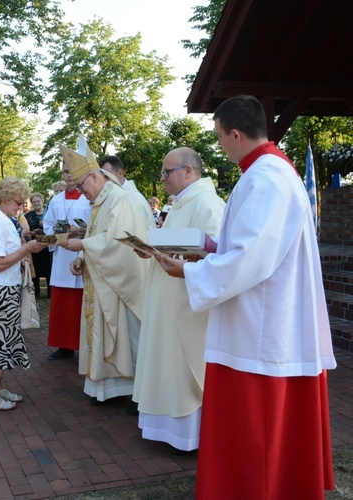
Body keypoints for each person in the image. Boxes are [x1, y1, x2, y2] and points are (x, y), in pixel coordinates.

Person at [157, 95, 336, 499]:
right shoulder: (269, 171)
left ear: (235, 134)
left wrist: (188, 270)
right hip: (268, 313)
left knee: (257, 429)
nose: (220, 146)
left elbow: (251, 259)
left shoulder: (265, 178)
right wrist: (208, 248)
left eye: (220, 138)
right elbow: (254, 247)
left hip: (262, 324)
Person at [131, 147, 225, 451]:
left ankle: (189, 435)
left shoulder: (207, 204)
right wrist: (151, 250)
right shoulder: (182, 204)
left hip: (187, 304)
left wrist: (185, 263)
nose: (162, 178)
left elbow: (217, 255)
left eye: (167, 172)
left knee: (183, 368)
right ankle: (166, 430)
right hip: (168, 298)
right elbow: (175, 247)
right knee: (166, 363)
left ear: (188, 171)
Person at [60, 139, 154, 407]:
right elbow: (96, 235)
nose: (80, 192)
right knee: (105, 333)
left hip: (122, 284)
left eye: (81, 186)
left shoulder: (120, 199)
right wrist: (81, 257)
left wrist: (82, 246)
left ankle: (138, 393)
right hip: (103, 280)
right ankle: (108, 387)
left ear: (93, 176)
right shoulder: (100, 201)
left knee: (130, 336)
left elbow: (119, 242)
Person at [0, 177, 44, 410]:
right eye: (18, 201)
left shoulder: (2, 219)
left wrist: (23, 256)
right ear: (5, 198)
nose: (21, 206)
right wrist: (27, 249)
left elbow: (4, 257)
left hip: (1, 287)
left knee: (0, 339)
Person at [42, 159, 91, 361]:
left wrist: (83, 231)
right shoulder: (55, 201)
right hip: (62, 256)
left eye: (72, 171)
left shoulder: (89, 198)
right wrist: (61, 235)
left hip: (83, 255)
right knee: (62, 304)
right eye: (65, 172)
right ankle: (64, 346)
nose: (69, 176)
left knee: (81, 303)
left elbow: (98, 227)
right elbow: (47, 227)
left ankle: (84, 346)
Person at [24, 192, 51, 298]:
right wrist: (33, 233)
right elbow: (26, 231)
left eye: (38, 201)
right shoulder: (28, 216)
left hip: (48, 244)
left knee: (49, 269)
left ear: (42, 201)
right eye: (34, 202)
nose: (36, 203)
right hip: (34, 245)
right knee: (35, 268)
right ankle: (37, 292)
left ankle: (50, 292)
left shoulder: (49, 213)